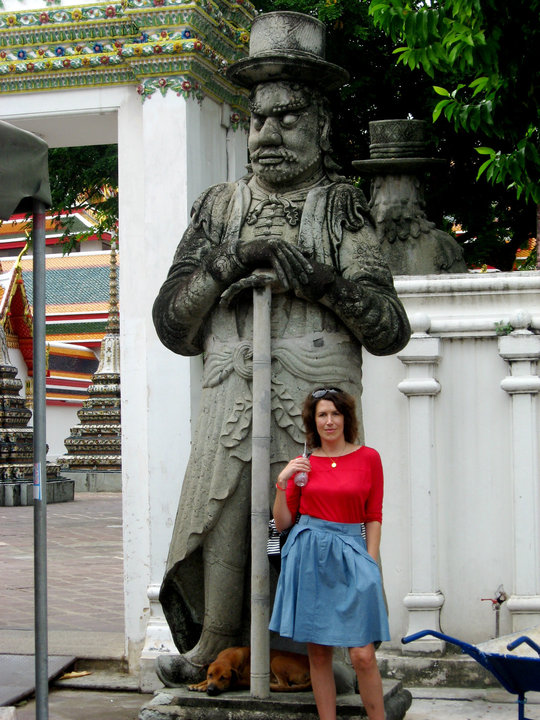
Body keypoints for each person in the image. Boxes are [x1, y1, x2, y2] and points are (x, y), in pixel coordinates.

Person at [152, 11, 410, 686]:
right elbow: (173, 326)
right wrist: (226, 265)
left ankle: (317, 651)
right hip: (232, 388)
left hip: (312, 393)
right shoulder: (219, 209)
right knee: (227, 514)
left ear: (321, 128)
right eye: (258, 119)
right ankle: (215, 639)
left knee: (312, 526)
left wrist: (324, 283)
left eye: (288, 118)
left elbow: (388, 328)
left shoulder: (339, 207)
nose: (267, 133)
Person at [270, 387, 388, 720]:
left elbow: (374, 515)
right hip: (308, 557)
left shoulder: (369, 458)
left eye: (335, 413)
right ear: (313, 421)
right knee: (319, 654)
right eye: (322, 414)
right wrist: (282, 482)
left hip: (352, 556)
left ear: (346, 418)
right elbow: (283, 522)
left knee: (363, 654)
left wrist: (371, 561)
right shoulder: (303, 466)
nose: (329, 421)